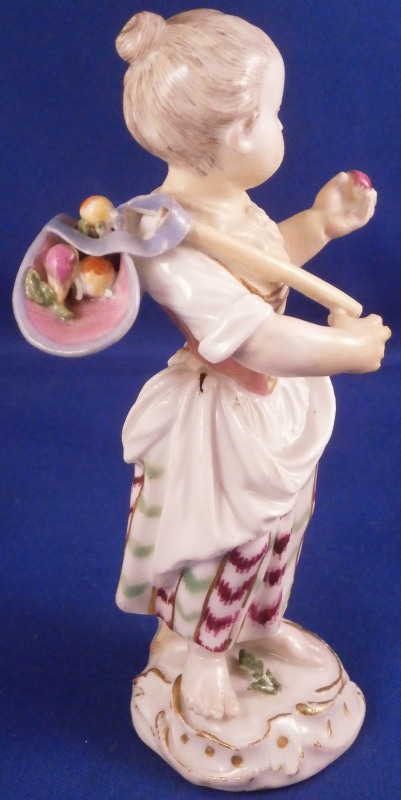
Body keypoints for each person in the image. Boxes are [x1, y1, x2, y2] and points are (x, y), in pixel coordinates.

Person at [114, 9, 390, 720]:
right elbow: (252, 338)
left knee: (281, 529)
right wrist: (349, 350)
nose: (281, 127)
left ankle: (259, 624)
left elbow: (265, 266)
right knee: (221, 541)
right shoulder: (162, 240)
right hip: (220, 423)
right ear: (237, 132)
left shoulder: (229, 208)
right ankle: (202, 653)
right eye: (274, 114)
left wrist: (319, 223)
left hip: (273, 412)